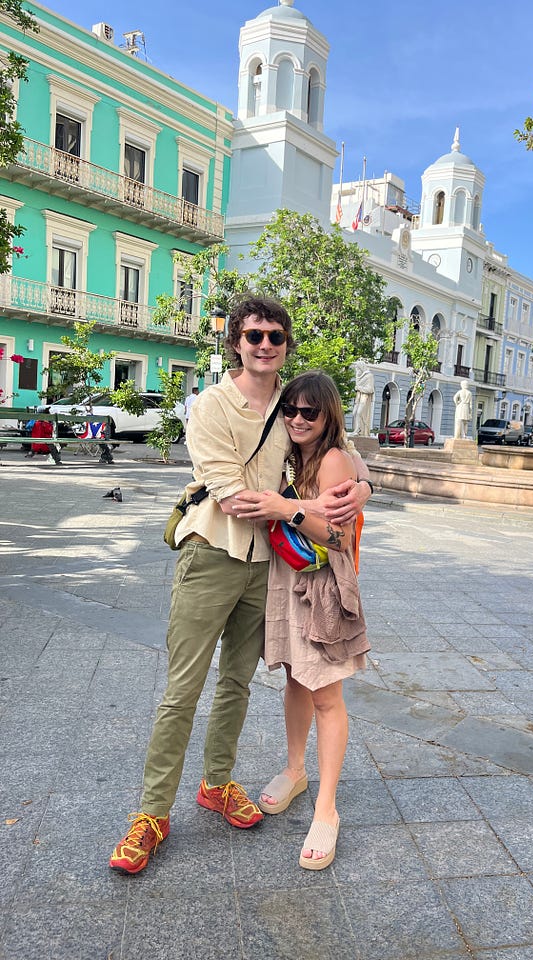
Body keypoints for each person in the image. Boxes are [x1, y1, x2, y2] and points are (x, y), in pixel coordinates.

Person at [109, 297, 371, 876]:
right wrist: (297, 505)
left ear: (286, 344)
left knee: (237, 683)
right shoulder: (209, 406)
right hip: (213, 555)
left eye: (275, 336)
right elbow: (235, 497)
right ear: (235, 342)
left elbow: (337, 448)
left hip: (268, 567)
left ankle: (218, 781)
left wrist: (364, 485)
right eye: (253, 335)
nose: (264, 345)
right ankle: (152, 814)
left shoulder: (290, 403)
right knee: (184, 687)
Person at [248, 370, 369, 870]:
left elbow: (338, 539)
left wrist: (286, 508)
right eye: (290, 410)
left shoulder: (333, 458)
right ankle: (295, 769)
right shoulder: (289, 454)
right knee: (296, 680)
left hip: (322, 587)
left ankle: (327, 809)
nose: (297, 418)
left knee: (327, 695)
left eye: (309, 412)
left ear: (327, 416)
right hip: (287, 577)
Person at [351, 361, 374, 436]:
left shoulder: (369, 376)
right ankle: (357, 429)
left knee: (359, 413)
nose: (357, 371)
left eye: (358, 369)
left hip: (364, 398)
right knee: (354, 412)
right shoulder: (359, 376)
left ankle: (359, 430)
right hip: (359, 397)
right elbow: (357, 386)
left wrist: (359, 388)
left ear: (361, 368)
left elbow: (370, 389)